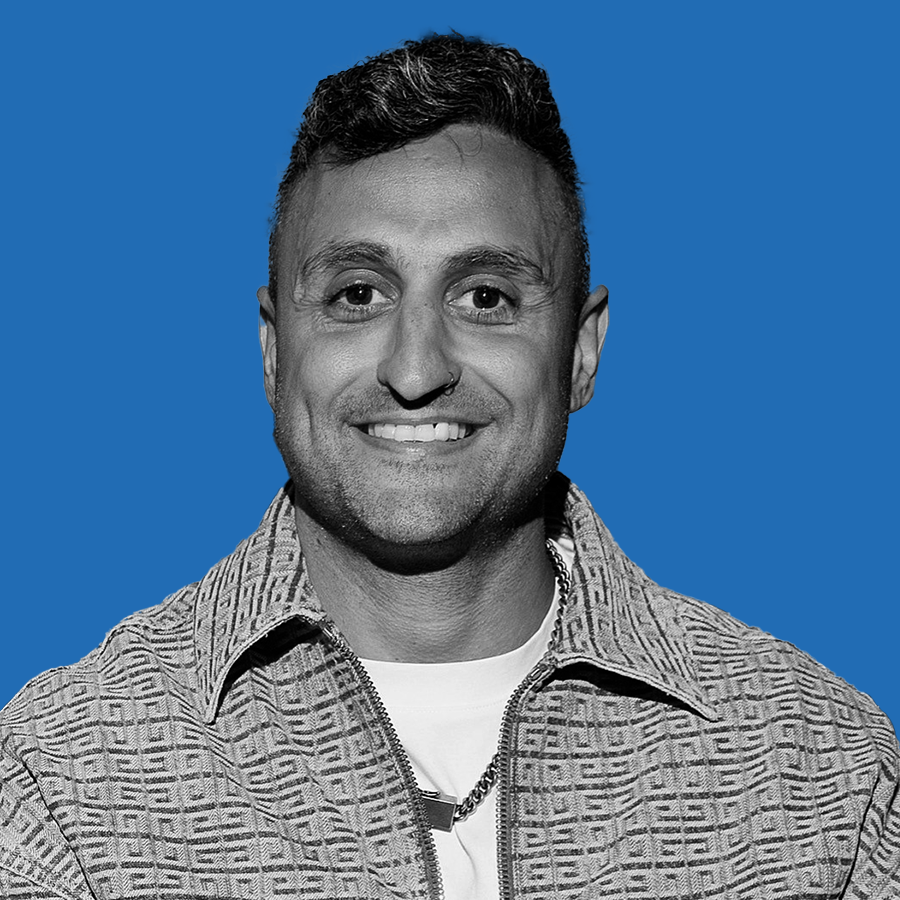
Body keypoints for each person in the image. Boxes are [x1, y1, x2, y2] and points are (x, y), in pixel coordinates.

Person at [0, 33, 897, 900]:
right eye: (358, 294)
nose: (416, 369)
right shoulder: (63, 782)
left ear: (581, 352)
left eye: (485, 297)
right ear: (274, 353)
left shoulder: (821, 773)